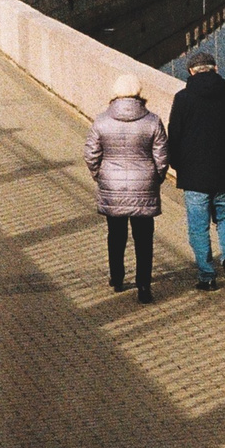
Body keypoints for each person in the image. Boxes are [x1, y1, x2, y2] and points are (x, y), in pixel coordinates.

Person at [163, 49, 225, 291]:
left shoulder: (183, 99)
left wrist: (178, 165)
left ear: (191, 72)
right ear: (216, 69)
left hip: (194, 177)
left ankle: (207, 276)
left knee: (198, 226)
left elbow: (175, 137)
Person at [84, 73, 168, 304]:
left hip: (112, 185)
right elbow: (161, 156)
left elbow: (91, 154)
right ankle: (143, 286)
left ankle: (118, 277)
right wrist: (155, 178)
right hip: (144, 185)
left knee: (116, 234)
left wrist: (100, 175)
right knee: (144, 238)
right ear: (139, 93)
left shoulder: (101, 121)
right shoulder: (152, 121)